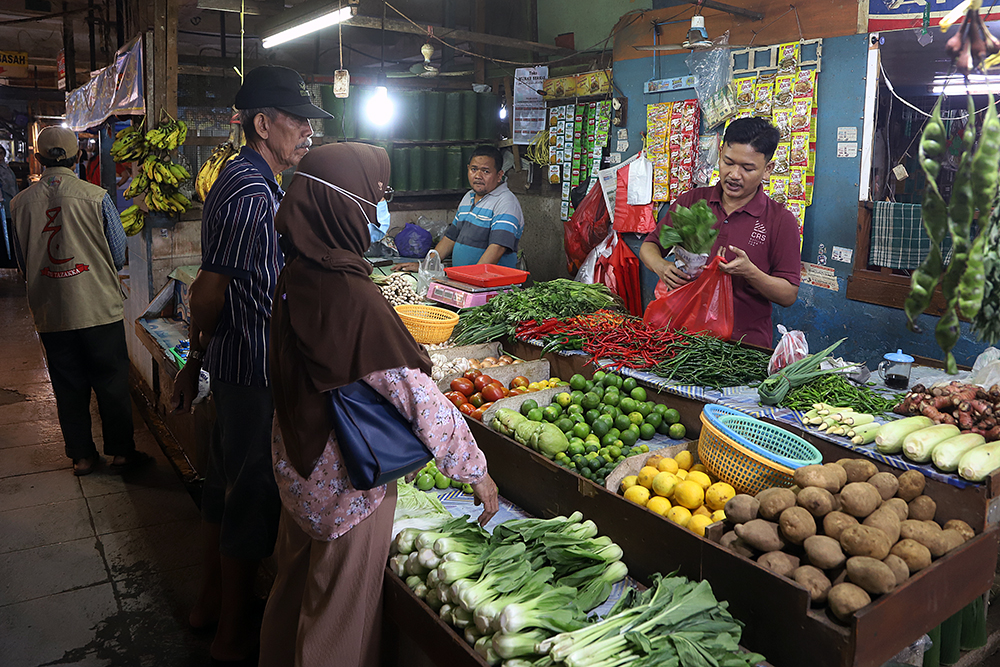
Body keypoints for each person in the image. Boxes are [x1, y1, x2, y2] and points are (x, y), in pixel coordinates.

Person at [257, 141, 498, 667]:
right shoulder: (350, 295)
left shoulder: (299, 273)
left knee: (293, 589)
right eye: (376, 196)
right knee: (337, 621)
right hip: (345, 485)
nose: (381, 208)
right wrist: (474, 469)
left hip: (298, 467)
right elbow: (415, 395)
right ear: (343, 205)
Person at [168, 65, 331, 665]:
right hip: (252, 373)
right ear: (263, 124)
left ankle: (210, 604)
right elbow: (209, 291)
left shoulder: (252, 182)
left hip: (240, 364)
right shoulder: (249, 190)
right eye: (299, 121)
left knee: (225, 486)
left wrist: (197, 363)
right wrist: (195, 362)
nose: (308, 132)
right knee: (251, 495)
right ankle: (233, 632)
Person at [9, 126, 148, 476]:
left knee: (68, 385)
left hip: (51, 311)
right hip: (98, 306)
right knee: (111, 381)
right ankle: (120, 453)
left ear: (38, 158)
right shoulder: (97, 197)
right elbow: (117, 254)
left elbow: (22, 262)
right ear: (77, 157)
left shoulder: (18, 204)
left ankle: (82, 457)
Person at [638, 117, 801, 349]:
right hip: (680, 335)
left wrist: (751, 273)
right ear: (720, 152)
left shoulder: (780, 221)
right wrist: (662, 267)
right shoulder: (693, 201)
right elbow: (650, 246)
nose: (734, 174)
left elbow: (788, 295)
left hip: (742, 347)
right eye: (728, 162)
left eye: (747, 168)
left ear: (768, 170)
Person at [396, 145, 524, 270]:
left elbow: (497, 249)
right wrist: (425, 266)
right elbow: (451, 238)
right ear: (468, 169)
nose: (478, 176)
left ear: (499, 175)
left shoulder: (506, 202)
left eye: (486, 171)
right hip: (464, 282)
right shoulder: (468, 197)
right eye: (474, 169)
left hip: (489, 286)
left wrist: (473, 277)